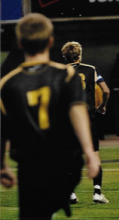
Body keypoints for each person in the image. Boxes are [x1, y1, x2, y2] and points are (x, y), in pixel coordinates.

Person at [0, 13, 99, 220]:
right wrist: (89, 151)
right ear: (50, 41)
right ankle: (59, 199)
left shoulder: (8, 83)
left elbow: (3, 128)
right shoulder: (65, 75)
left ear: (19, 43)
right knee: (48, 206)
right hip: (62, 160)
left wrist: (2, 165)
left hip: (29, 164)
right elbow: (77, 110)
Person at [61, 41, 111, 204]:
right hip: (87, 117)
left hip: (68, 119)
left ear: (64, 56)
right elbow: (106, 90)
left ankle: (70, 193)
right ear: (80, 55)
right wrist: (102, 106)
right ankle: (97, 192)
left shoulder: (58, 72)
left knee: (69, 156)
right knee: (94, 155)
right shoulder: (90, 69)